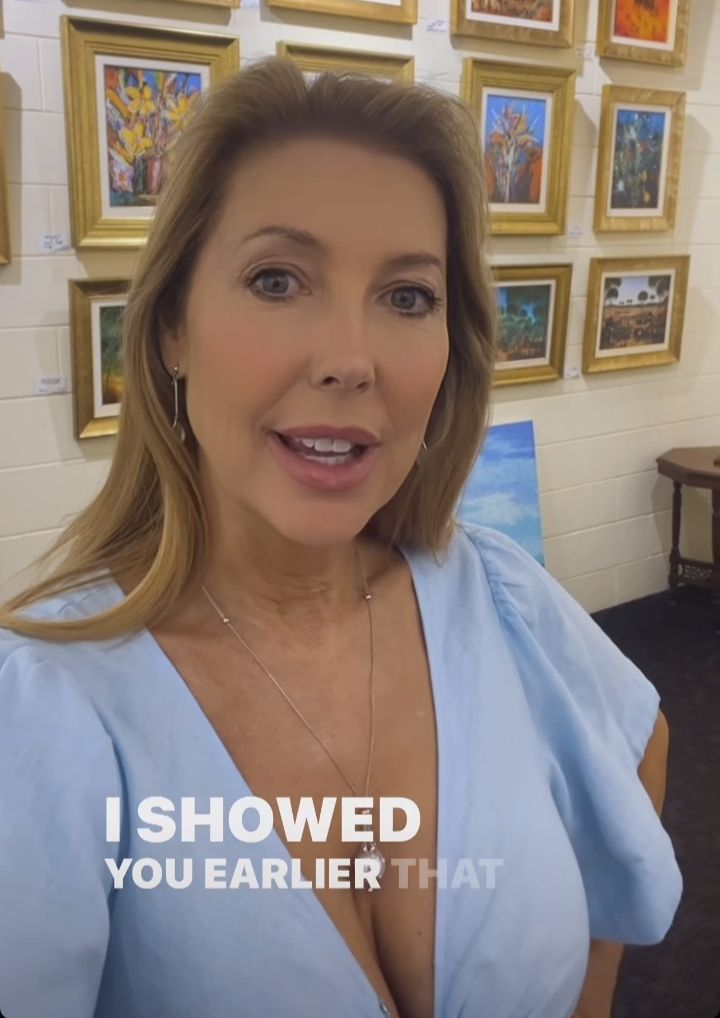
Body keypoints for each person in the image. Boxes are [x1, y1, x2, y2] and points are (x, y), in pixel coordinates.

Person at [0, 56, 681, 1018]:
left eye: (407, 297)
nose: (352, 361)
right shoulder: (43, 702)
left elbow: (642, 741)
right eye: (277, 280)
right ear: (171, 329)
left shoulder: (493, 592)